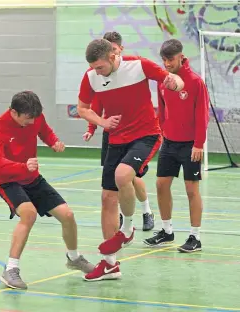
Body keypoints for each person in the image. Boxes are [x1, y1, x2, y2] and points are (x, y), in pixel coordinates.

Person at [76, 39, 185, 281]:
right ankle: (110, 265)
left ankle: (127, 229)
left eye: (101, 67)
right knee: (107, 198)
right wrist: (102, 123)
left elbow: (175, 79)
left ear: (113, 57)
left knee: (124, 175)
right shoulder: (91, 76)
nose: (97, 72)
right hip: (116, 139)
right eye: (93, 67)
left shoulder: (138, 66)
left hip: (146, 134)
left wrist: (175, 83)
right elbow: (83, 108)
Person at [0, 91, 95, 289]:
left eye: (34, 118)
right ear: (13, 112)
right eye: (27, 119)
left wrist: (53, 142)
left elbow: (44, 130)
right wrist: (22, 166)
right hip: (8, 181)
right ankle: (10, 269)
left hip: (32, 178)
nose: (31, 122)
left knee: (67, 215)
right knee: (29, 214)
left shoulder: (35, 117)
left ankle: (74, 258)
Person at [82, 31, 155, 238]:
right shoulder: (97, 75)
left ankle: (146, 211)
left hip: (138, 133)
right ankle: (120, 225)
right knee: (115, 182)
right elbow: (93, 104)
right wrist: (92, 127)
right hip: (113, 132)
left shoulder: (134, 69)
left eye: (114, 49)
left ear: (118, 51)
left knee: (130, 177)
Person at [143, 39, 209, 253]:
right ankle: (167, 231)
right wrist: (162, 131)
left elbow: (202, 116)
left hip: (191, 145)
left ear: (181, 57)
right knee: (161, 185)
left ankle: (195, 237)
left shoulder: (195, 82)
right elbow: (161, 109)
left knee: (191, 190)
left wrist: (198, 144)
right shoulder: (163, 81)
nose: (167, 64)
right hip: (169, 143)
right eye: (164, 60)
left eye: (170, 60)